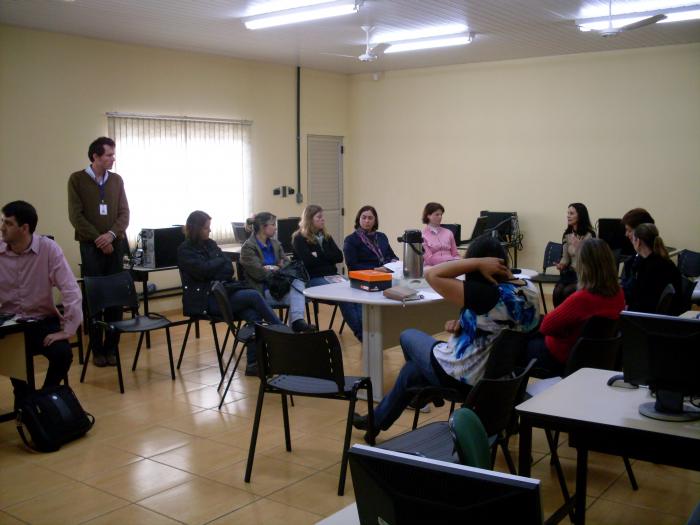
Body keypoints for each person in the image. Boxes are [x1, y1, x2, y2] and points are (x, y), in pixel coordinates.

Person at [352, 236, 539, 442]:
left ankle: (425, 393)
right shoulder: (529, 289)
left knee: (407, 336)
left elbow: (434, 274)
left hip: (462, 374)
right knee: (410, 372)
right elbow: (500, 324)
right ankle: (375, 424)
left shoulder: (485, 295)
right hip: (498, 378)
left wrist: (476, 262)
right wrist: (466, 321)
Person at [177, 211, 284, 375]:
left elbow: (228, 268)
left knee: (253, 313)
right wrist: (217, 264)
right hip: (204, 300)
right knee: (253, 296)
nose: (210, 231)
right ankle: (283, 333)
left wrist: (214, 267)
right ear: (196, 229)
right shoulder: (185, 250)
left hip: (224, 291)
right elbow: (203, 271)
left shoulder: (210, 244)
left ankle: (253, 364)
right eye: (206, 228)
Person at [0, 201, 81, 404]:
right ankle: (26, 401)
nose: (2, 227)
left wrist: (68, 330)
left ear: (24, 228)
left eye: (8, 223)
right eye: (2, 221)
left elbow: (71, 290)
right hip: (10, 325)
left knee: (62, 354)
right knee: (16, 367)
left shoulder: (48, 249)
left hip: (41, 321)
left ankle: (43, 399)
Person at [68, 137, 129, 367]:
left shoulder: (116, 180)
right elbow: (76, 216)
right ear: (95, 156)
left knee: (115, 298)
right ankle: (96, 350)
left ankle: (111, 348)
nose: (113, 158)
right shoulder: (77, 179)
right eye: (109, 155)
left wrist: (111, 236)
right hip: (90, 246)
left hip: (115, 245)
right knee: (95, 299)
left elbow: (124, 213)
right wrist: (99, 239)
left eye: (113, 155)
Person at [525, 238, 625, 377]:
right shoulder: (618, 294)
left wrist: (564, 332)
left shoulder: (583, 299)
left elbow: (547, 327)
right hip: (593, 357)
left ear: (584, 265)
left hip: (562, 357)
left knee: (516, 343)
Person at [292, 205, 362, 341]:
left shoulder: (326, 236)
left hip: (333, 276)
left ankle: (365, 329)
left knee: (357, 290)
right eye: (319, 217)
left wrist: (319, 255)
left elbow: (339, 256)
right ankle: (361, 334)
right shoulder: (299, 238)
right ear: (309, 219)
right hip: (313, 279)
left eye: (322, 217)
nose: (323, 220)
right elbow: (308, 262)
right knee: (344, 296)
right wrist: (325, 257)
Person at [240, 212, 315, 333]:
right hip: (262, 293)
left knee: (298, 282)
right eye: (273, 224)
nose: (275, 228)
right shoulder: (248, 248)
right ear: (263, 227)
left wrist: (271, 268)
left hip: (280, 288)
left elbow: (287, 265)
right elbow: (259, 274)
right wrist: (277, 268)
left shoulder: (275, 244)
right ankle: (295, 327)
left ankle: (294, 328)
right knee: (298, 297)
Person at [623, 223, 682, 314]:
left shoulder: (645, 267)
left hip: (644, 318)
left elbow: (632, 296)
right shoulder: (666, 262)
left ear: (638, 242)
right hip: (664, 318)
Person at [553, 202, 596, 307]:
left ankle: (570, 319)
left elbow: (591, 260)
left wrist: (579, 248)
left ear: (580, 215)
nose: (568, 216)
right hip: (571, 273)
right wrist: (561, 265)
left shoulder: (590, 235)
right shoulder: (567, 234)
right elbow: (566, 258)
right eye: (568, 213)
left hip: (584, 274)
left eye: (571, 213)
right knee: (557, 291)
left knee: (567, 292)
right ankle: (558, 319)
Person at [343, 205, 399, 272]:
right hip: (364, 277)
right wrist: (375, 269)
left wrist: (395, 262)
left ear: (375, 220)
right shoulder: (351, 240)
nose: (367, 221)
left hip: (386, 273)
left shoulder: (382, 236)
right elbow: (352, 266)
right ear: (358, 219)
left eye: (370, 218)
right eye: (364, 218)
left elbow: (393, 256)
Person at [620, 207, 655, 288]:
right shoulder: (635, 259)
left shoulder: (647, 268)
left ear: (640, 234)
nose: (626, 234)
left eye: (629, 230)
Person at [421, 202, 459, 267]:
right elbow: (429, 259)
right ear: (428, 216)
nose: (440, 217)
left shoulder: (448, 232)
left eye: (441, 214)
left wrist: (457, 262)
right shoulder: (422, 236)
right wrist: (447, 262)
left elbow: (455, 254)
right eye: (437, 214)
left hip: (451, 265)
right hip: (433, 267)